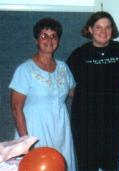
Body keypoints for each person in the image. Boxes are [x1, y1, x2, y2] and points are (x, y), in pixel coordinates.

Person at [66, 11, 119, 171]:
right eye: (98, 27)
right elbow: (63, 83)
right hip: (85, 123)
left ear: (112, 30)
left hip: (115, 121)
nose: (103, 32)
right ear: (90, 29)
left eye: (108, 27)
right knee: (87, 166)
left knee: (111, 165)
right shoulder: (80, 53)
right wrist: (86, 96)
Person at [9, 18, 76, 171]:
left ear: (58, 40)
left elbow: (74, 92)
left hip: (60, 129)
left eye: (54, 36)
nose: (49, 40)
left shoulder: (63, 68)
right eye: (44, 36)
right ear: (36, 40)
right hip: (34, 129)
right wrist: (26, 142)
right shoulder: (25, 69)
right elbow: (16, 107)